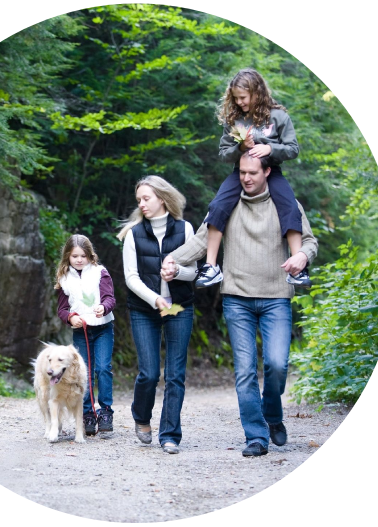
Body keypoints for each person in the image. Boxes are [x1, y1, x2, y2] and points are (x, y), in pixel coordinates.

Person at [162, 152, 318, 457]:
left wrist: (302, 256)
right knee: (245, 371)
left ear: (267, 171)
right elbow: (200, 241)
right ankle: (256, 436)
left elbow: (309, 241)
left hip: (276, 297)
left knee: (277, 364)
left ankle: (272, 414)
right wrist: (172, 259)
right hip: (237, 299)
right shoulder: (228, 204)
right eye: (242, 172)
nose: (246, 178)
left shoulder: (286, 204)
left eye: (253, 173)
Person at [195, 67, 312, 289]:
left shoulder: (278, 117)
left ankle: (298, 268)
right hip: (240, 172)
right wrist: (241, 147)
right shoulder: (234, 120)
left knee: (289, 207)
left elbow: (293, 149)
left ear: (256, 93)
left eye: (243, 97)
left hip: (271, 171)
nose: (239, 102)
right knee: (217, 206)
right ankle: (210, 266)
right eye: (235, 98)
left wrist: (269, 149)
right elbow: (223, 154)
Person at [117, 176, 197, 454]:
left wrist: (177, 273)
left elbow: (194, 272)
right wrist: (155, 299)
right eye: (139, 199)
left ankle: (170, 435)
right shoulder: (134, 234)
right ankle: (141, 416)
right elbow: (130, 277)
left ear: (162, 198)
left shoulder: (186, 229)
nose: (141, 204)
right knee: (149, 374)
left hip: (180, 308)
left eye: (146, 198)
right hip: (144, 310)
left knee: (175, 374)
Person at [55, 234, 116, 436]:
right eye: (74, 256)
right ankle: (87, 414)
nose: (79, 260)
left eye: (83, 256)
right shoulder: (64, 279)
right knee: (85, 373)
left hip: (102, 328)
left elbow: (109, 298)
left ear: (90, 256)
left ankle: (106, 412)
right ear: (68, 257)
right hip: (81, 332)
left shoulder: (100, 273)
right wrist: (71, 317)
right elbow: (62, 309)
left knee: (103, 368)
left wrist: (103, 307)